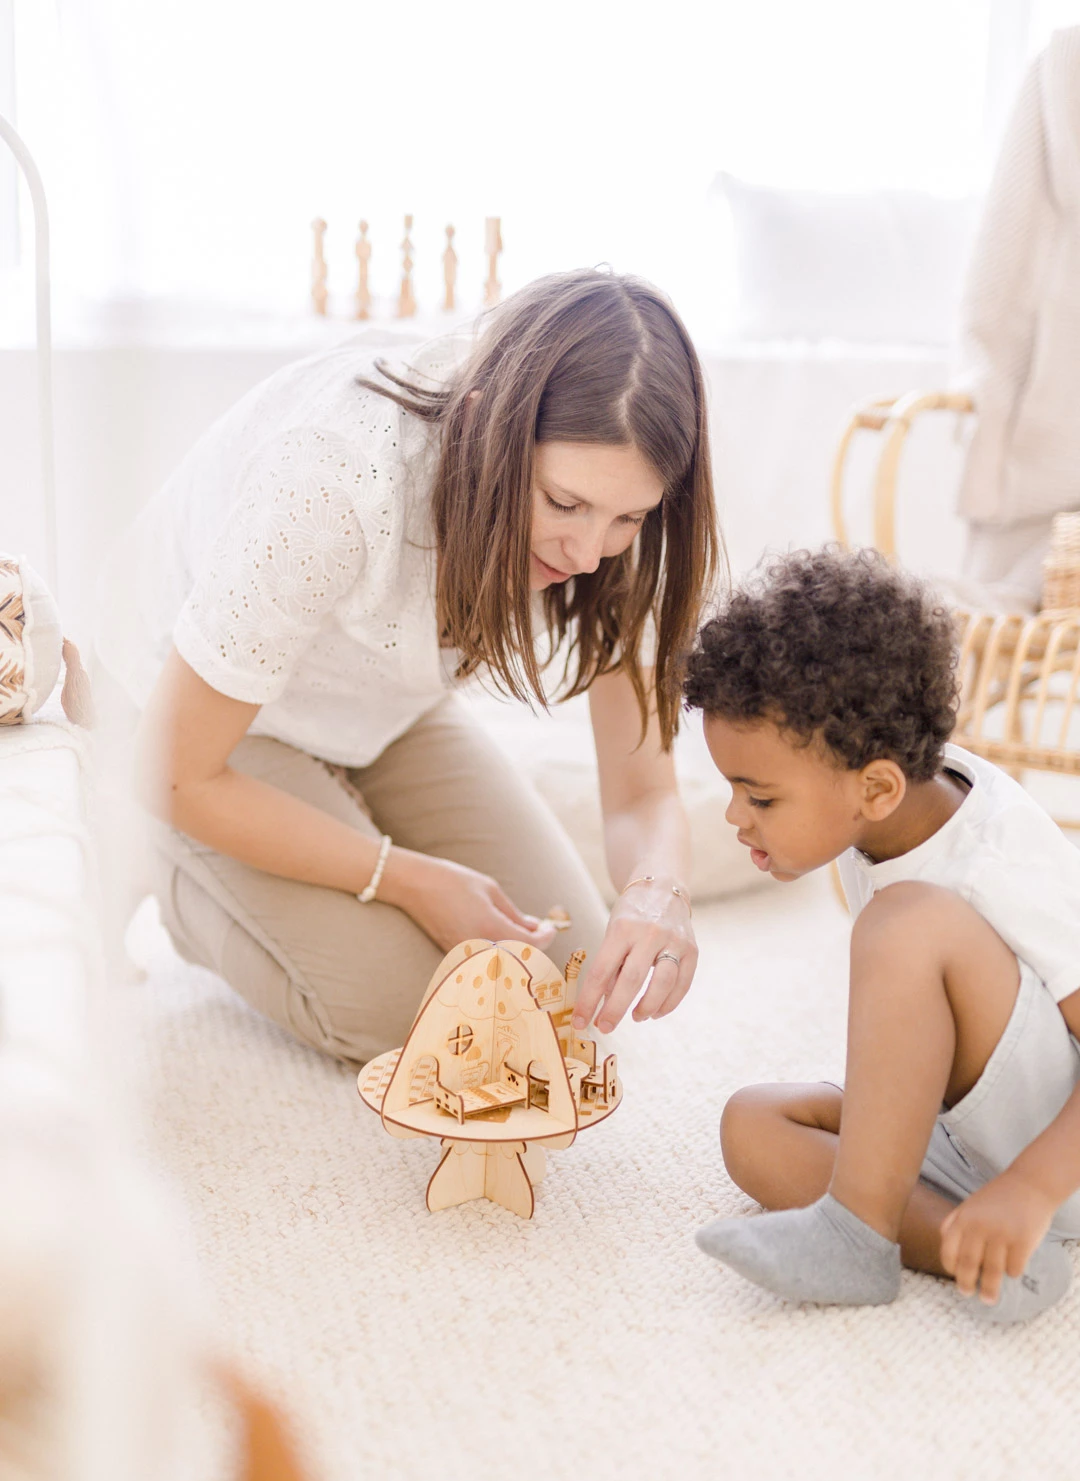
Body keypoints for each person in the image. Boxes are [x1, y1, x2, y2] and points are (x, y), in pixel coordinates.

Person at [101, 270, 720, 1064]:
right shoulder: (334, 477)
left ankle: (329, 818)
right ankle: (150, 853)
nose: (588, 550)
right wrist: (410, 879)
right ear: (479, 425)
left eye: (626, 517)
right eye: (563, 504)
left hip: (377, 703)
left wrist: (659, 894)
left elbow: (641, 792)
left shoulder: (614, 521)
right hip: (185, 726)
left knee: (558, 984)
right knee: (410, 1013)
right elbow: (183, 772)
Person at [683, 547, 1080, 1323]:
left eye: (759, 797)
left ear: (876, 786)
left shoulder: (998, 859)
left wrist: (1032, 1186)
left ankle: (861, 1229)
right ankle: (982, 1252)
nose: (736, 817)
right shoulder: (888, 812)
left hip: (1055, 1161)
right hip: (962, 1140)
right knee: (753, 1126)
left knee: (905, 923)